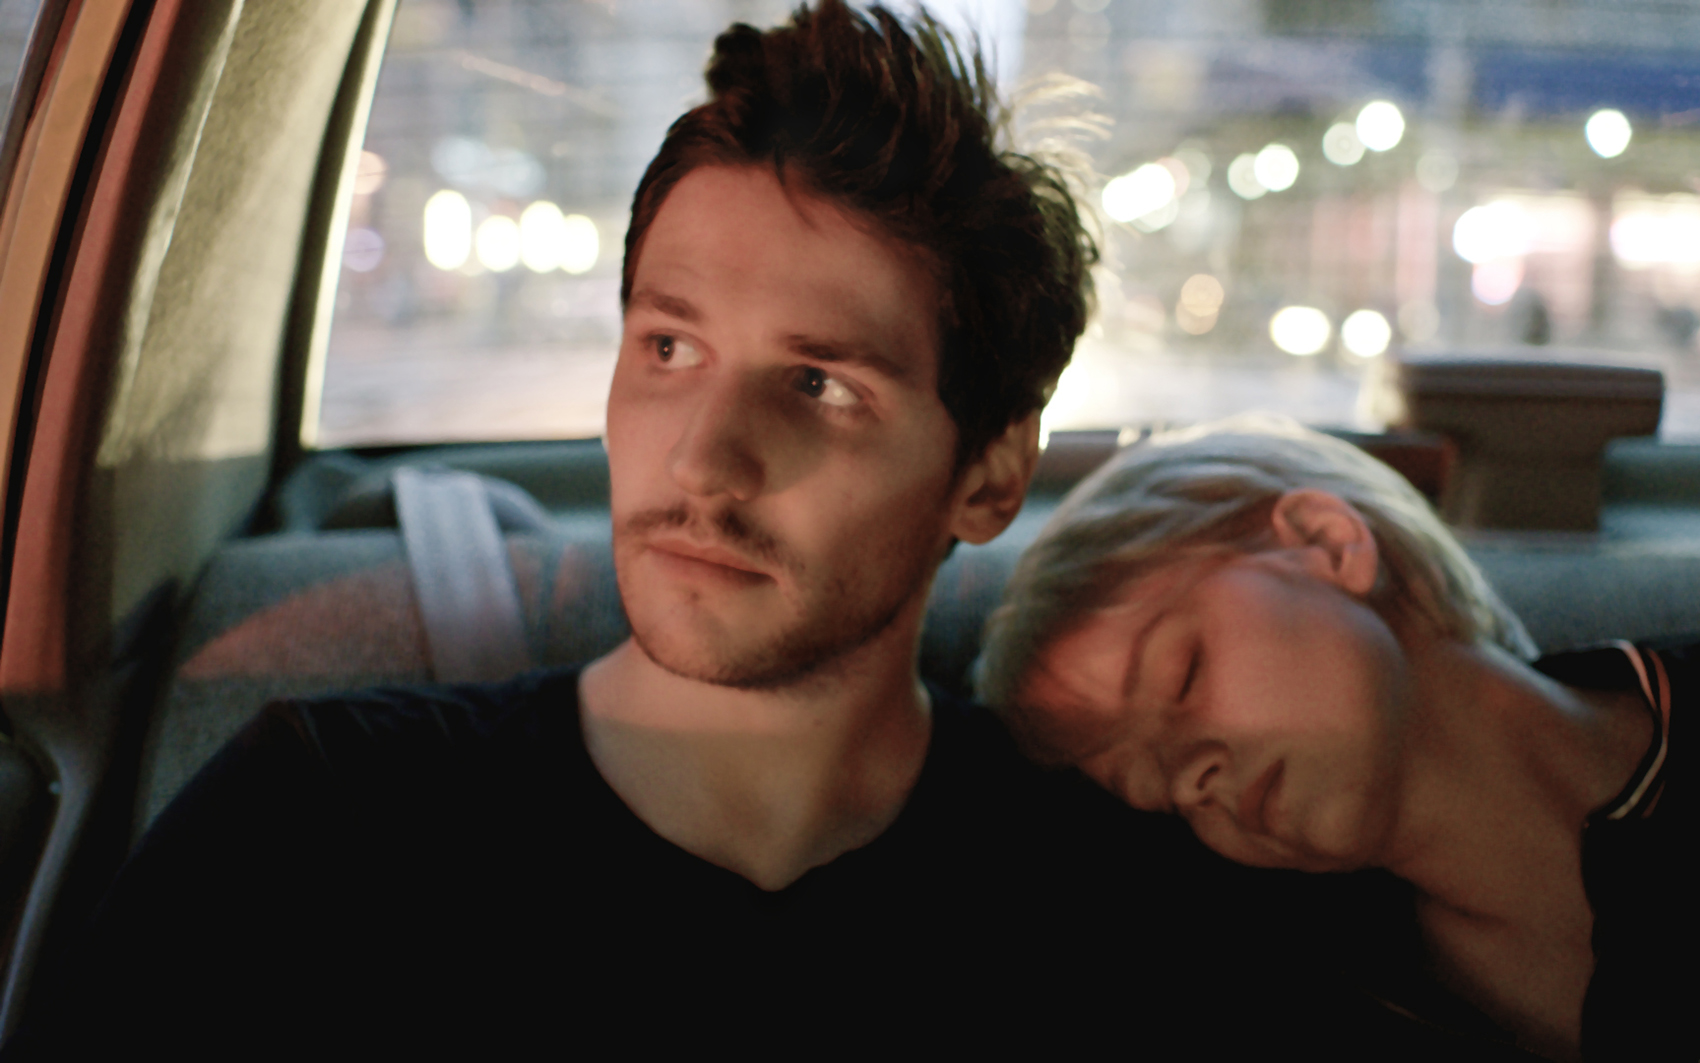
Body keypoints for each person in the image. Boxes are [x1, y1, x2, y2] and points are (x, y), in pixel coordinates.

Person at [2, 3, 1294, 1053]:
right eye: (669, 347)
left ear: (990, 474)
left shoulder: (1113, 901)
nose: (701, 458)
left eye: (819, 384)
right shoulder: (313, 831)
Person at [977, 413, 1700, 1062]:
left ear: (1330, 542)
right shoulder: (1299, 995)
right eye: (1149, 788)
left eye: (1182, 672)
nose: (1191, 779)